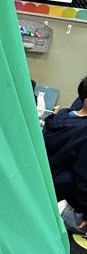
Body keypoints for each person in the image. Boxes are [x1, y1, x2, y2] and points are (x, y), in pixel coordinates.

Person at [43, 74, 87, 232]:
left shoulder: (63, 116)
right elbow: (84, 179)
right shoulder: (84, 133)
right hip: (66, 198)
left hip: (48, 185)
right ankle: (62, 213)